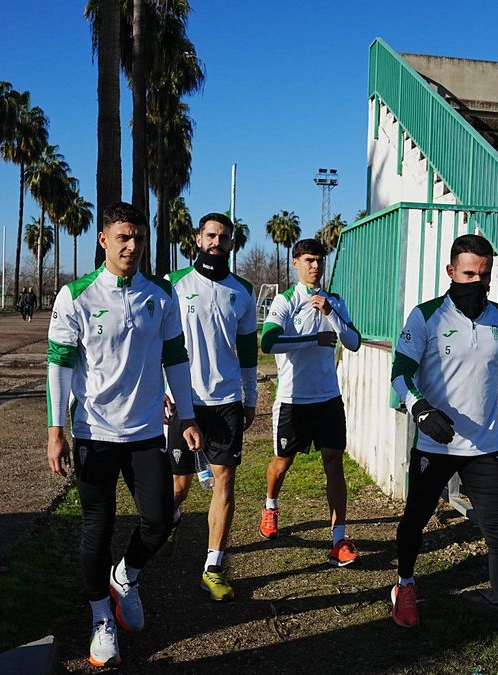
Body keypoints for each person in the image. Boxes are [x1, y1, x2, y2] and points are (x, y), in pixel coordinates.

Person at [389, 234, 498, 675]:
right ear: (450, 272)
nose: (476, 283)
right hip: (435, 443)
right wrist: (420, 409)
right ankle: (404, 584)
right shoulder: (426, 316)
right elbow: (400, 372)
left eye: (483, 276)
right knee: (415, 521)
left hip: (484, 448)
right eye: (467, 274)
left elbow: (493, 374)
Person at [46, 202, 203, 668]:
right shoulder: (75, 296)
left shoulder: (161, 294)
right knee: (97, 526)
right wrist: (56, 431)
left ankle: (126, 577)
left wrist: (187, 417)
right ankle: (101, 618)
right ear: (103, 240)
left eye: (137, 238)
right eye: (122, 237)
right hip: (94, 431)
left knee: (160, 518)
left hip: (145, 431)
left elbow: (176, 357)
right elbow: (58, 366)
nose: (131, 246)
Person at [165, 213, 258, 602]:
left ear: (232, 243)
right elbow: (158, 344)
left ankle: (213, 568)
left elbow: (249, 351)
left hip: (226, 403)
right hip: (183, 401)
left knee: (224, 482)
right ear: (198, 239)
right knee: (179, 488)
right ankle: (169, 521)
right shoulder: (173, 284)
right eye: (211, 235)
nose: (217, 242)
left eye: (224, 237)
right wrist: (162, 391)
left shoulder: (243, 291)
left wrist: (250, 398)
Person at [258, 238, 362, 566]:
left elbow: (354, 342)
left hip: (328, 398)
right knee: (282, 462)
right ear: (296, 263)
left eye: (319, 261)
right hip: (293, 400)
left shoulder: (335, 301)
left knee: (334, 463)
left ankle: (338, 539)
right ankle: (271, 506)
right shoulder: (285, 300)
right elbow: (268, 342)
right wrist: (311, 339)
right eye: (309, 260)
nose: (315, 266)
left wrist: (330, 313)